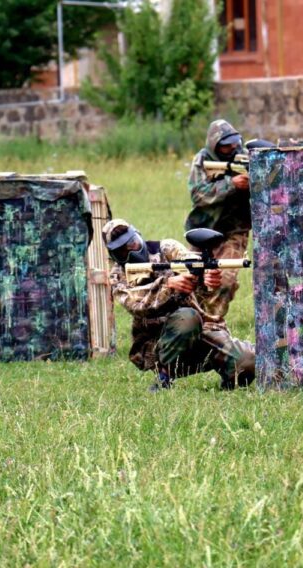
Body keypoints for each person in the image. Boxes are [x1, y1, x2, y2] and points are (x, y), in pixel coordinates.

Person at [103, 219, 254, 391]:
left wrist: (204, 277)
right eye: (122, 252)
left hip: (201, 330)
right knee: (187, 318)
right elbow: (137, 303)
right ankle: (164, 377)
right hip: (158, 342)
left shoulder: (165, 248)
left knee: (247, 360)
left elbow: (188, 259)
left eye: (133, 244)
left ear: (139, 236)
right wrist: (168, 285)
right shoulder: (117, 275)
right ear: (113, 256)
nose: (131, 252)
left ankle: (230, 381)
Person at [185, 118, 250, 318]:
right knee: (193, 278)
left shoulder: (246, 158)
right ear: (215, 146)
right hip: (202, 232)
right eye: (226, 146)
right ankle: (195, 321)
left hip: (234, 232)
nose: (232, 148)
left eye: (234, 143)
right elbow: (198, 194)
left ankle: (213, 324)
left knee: (224, 280)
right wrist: (232, 184)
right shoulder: (203, 160)